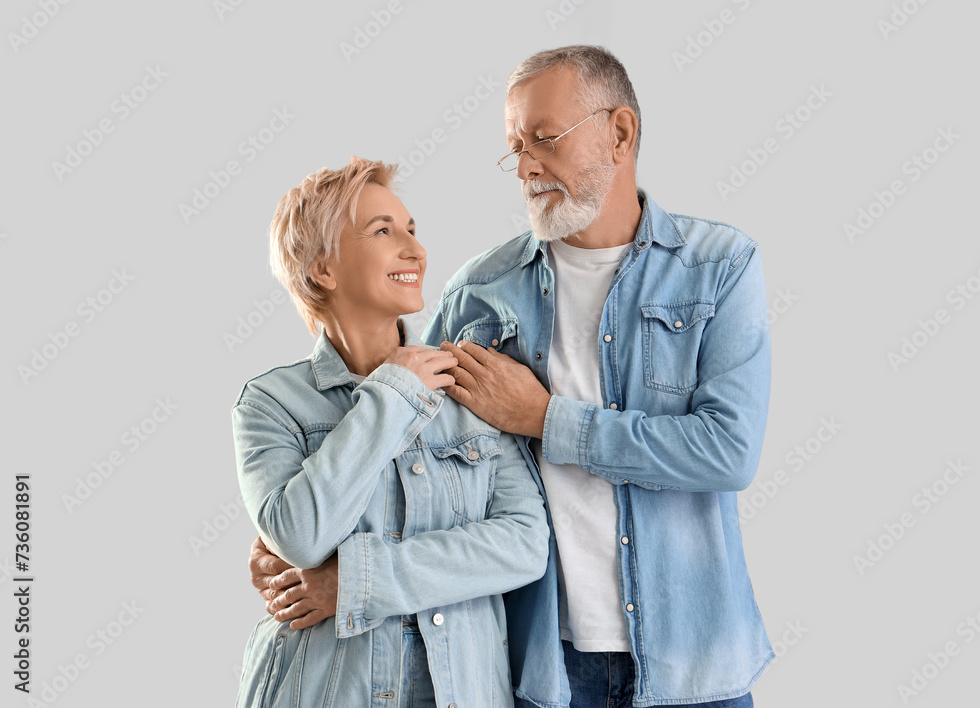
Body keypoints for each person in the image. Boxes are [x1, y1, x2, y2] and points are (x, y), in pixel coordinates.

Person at [252, 45, 773, 707]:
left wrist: (544, 419)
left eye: (544, 139)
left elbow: (728, 452)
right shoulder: (481, 290)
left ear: (620, 133)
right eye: (515, 147)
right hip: (543, 670)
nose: (525, 166)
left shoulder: (719, 266)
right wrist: (281, 534)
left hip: (695, 663)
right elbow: (399, 426)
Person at [232, 157, 548, 708]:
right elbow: (301, 535)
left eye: (412, 230)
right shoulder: (270, 403)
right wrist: (394, 391)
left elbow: (524, 545)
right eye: (383, 231)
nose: (415, 249)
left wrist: (354, 580)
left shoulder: (469, 385)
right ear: (322, 269)